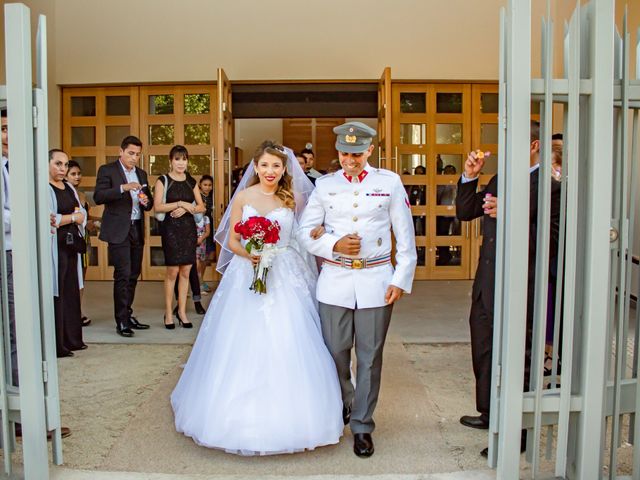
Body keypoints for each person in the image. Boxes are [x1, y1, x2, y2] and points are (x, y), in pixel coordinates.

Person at [171, 140, 342, 454]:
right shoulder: (245, 196)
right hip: (246, 272)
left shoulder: (295, 198)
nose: (270, 171)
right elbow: (232, 239)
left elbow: (304, 234)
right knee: (241, 340)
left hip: (286, 272)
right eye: (264, 165)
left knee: (290, 337)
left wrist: (317, 237)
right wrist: (250, 254)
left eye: (276, 166)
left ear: (284, 169)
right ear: (256, 167)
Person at [298, 121, 417, 458]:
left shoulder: (389, 183)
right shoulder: (324, 185)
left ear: (369, 151)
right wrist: (334, 244)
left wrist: (400, 278)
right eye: (344, 153)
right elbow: (305, 234)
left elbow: (404, 236)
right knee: (334, 350)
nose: (349, 159)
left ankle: (362, 424)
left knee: (369, 356)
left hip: (376, 280)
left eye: (355, 153)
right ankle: (349, 400)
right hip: (334, 281)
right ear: (337, 152)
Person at [456, 121, 561, 457]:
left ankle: (519, 433)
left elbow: (554, 238)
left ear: (533, 144)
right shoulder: (500, 178)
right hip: (488, 278)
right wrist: (470, 177)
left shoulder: (551, 184)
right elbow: (465, 211)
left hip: (523, 281)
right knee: (484, 344)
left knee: (520, 356)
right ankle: (490, 412)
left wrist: (512, 215)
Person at [1, 110, 71, 439]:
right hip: (8, 253)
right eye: (2, 129)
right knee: (15, 334)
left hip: (24, 251)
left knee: (24, 331)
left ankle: (24, 411)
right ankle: (19, 419)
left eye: (10, 129)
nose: (7, 136)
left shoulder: (18, 168)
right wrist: (28, 216)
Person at [94, 136, 153, 337]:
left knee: (134, 274)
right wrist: (123, 188)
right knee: (123, 274)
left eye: (137, 154)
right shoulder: (107, 170)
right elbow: (99, 196)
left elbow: (150, 203)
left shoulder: (142, 174)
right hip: (118, 229)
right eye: (131, 153)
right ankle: (121, 321)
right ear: (121, 151)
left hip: (137, 227)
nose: (134, 158)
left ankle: (128, 314)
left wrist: (146, 200)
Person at [154, 145, 205, 329]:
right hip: (170, 230)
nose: (181, 163)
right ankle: (168, 312)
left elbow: (201, 207)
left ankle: (182, 312)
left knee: (185, 272)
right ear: (171, 161)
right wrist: (180, 202)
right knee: (172, 272)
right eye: (177, 159)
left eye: (184, 159)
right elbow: (158, 207)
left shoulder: (191, 182)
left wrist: (185, 207)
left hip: (188, 230)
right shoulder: (163, 180)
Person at [48, 149, 87, 357]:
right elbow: (51, 219)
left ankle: (73, 339)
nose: (62, 169)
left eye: (65, 165)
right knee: (59, 292)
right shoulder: (45, 188)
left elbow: (82, 213)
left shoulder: (69, 188)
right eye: (57, 164)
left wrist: (72, 217)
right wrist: (72, 217)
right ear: (48, 165)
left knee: (72, 290)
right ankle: (59, 343)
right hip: (56, 248)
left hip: (71, 247)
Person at [66, 160, 97, 326]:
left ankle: (79, 310)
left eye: (79, 173)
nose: (77, 177)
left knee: (81, 277)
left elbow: (86, 217)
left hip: (84, 239)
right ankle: (71, 313)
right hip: (71, 239)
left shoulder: (82, 195)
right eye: (73, 174)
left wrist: (99, 221)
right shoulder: (64, 193)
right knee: (72, 276)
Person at [198, 174, 214, 293]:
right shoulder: (198, 197)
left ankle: (201, 280)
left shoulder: (212, 197)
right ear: (200, 185)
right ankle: (198, 283)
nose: (207, 187)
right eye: (205, 185)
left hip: (210, 227)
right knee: (199, 258)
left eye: (209, 185)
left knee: (207, 256)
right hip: (200, 228)